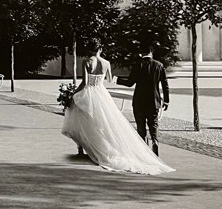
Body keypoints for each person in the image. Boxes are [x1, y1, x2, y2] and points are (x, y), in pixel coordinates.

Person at [63, 39, 174, 174]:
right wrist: (166, 101)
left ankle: (85, 148)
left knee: (89, 120)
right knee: (146, 125)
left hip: (113, 97)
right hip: (113, 95)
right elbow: (108, 79)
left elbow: (86, 83)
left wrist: (73, 94)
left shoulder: (88, 62)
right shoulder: (158, 65)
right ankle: (153, 145)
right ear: (101, 49)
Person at [118, 43, 171, 158]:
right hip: (154, 101)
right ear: (151, 52)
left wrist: (116, 80)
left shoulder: (137, 65)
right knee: (153, 125)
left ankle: (143, 149)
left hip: (139, 101)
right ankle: (155, 141)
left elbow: (129, 83)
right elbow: (165, 85)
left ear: (141, 53)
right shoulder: (159, 66)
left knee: (140, 127)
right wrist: (166, 101)